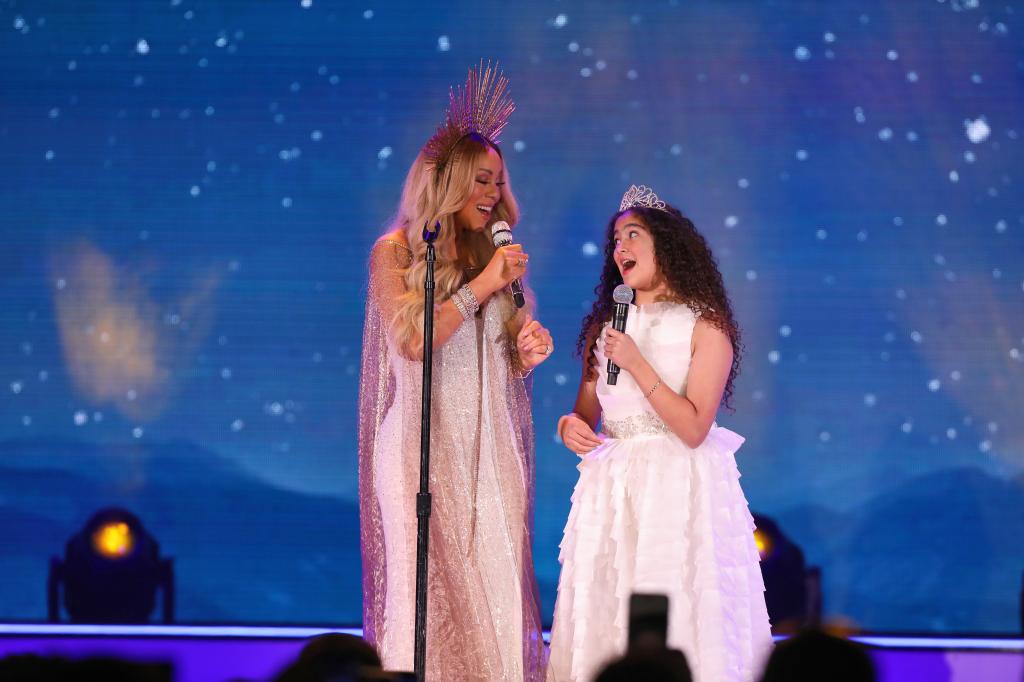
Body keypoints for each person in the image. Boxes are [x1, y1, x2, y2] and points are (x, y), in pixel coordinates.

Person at [358, 63, 551, 681]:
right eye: (479, 181)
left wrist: (529, 344)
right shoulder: (395, 253)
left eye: (498, 180)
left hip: (489, 453)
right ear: (446, 185)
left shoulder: (500, 256)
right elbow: (413, 342)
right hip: (417, 447)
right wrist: (483, 285)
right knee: (420, 602)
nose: (492, 192)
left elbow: (508, 353)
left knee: (496, 590)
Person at [546, 185, 773, 682]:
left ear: (667, 245)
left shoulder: (706, 327)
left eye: (633, 235)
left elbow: (694, 428)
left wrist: (637, 363)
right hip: (612, 491)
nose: (620, 248)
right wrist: (569, 427)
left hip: (678, 488)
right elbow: (587, 411)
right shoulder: (606, 327)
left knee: (675, 610)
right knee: (608, 611)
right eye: (614, 241)